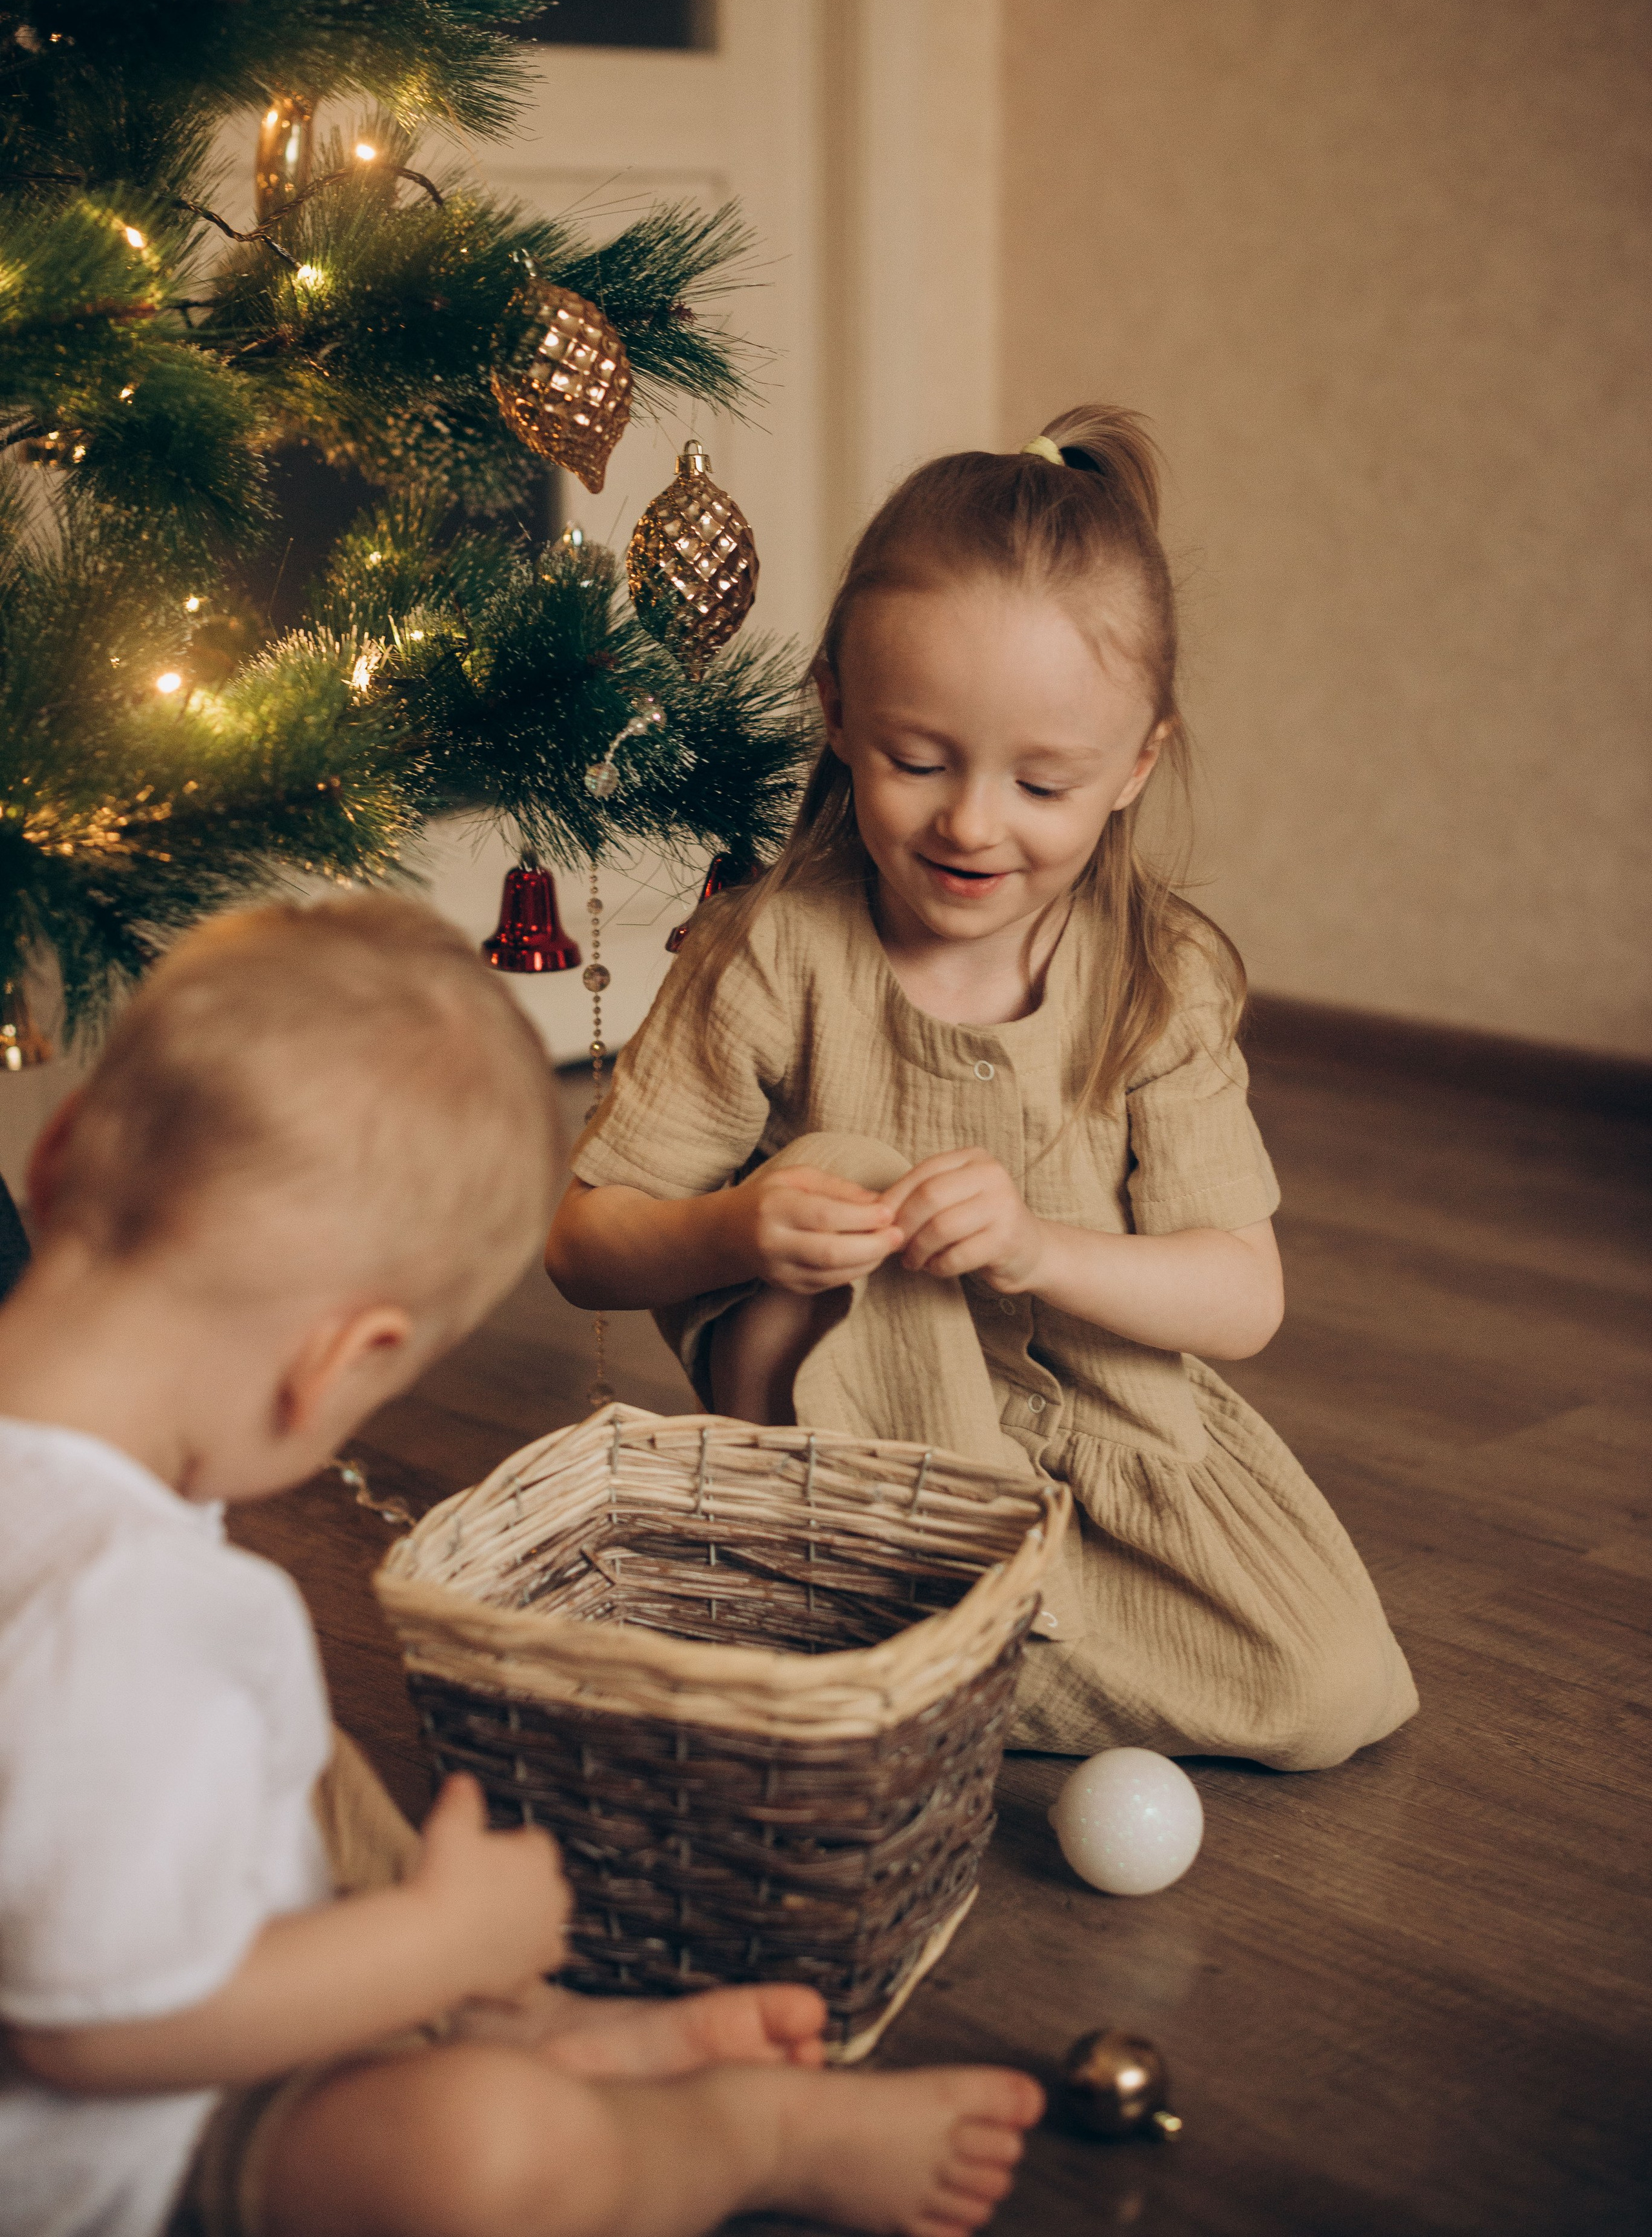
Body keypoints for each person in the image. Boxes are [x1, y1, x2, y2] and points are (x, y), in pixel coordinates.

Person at [0, 895, 1043, 2237]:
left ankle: (539, 2031)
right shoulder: (131, 1606)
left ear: (60, 1157)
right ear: (341, 1360)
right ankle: (746, 2132)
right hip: (138, 2150)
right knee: (485, 2154)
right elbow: (96, 2034)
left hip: (194, 1994)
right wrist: (436, 1942)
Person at [548, 408, 1419, 1773]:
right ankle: (899, 1609)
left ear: (1132, 766)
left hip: (1088, 1424)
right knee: (854, 1161)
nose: (969, 822)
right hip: (851, 1418)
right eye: (918, 759)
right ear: (834, 711)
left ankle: (910, 1659)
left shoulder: (1156, 976)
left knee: (1325, 1690)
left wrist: (1035, 1248)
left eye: (1042, 781)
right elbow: (583, 1244)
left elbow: (1241, 1299)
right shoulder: (775, 947)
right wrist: (740, 1227)